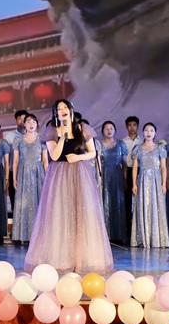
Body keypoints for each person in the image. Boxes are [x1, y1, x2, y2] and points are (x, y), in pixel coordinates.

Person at [24, 100, 113, 274]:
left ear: (71, 110)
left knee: (82, 214)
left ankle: (82, 259)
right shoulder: (52, 131)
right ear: (55, 113)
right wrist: (63, 137)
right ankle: (60, 259)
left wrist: (78, 157)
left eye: (65, 107)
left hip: (80, 174)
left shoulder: (82, 129)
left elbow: (93, 152)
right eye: (59, 109)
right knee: (60, 215)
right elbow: (54, 155)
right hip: (59, 176)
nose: (62, 110)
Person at [130, 122, 169, 248]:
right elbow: (135, 167)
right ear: (143, 133)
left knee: (156, 207)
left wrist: (163, 184)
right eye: (146, 130)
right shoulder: (138, 148)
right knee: (143, 206)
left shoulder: (160, 149)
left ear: (155, 133)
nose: (148, 133)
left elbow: (163, 167)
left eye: (151, 130)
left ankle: (156, 238)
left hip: (156, 181)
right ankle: (143, 238)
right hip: (142, 180)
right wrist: (134, 184)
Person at [11, 113, 47, 245]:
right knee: (23, 203)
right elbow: (15, 161)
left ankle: (38, 236)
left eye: (33, 122)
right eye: (28, 122)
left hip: (38, 173)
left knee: (38, 202)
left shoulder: (42, 139)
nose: (31, 124)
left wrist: (47, 177)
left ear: (37, 124)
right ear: (24, 124)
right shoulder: (18, 140)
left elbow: (45, 160)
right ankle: (23, 235)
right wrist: (14, 178)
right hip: (23, 173)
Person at [99, 120, 129, 244]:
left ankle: (118, 235)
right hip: (104, 176)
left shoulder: (121, 144)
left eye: (111, 128)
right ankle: (106, 236)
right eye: (106, 128)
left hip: (117, 176)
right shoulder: (99, 144)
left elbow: (124, 163)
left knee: (118, 203)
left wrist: (124, 178)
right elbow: (97, 163)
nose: (109, 130)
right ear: (103, 131)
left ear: (115, 130)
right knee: (105, 203)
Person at [121, 115, 142, 239]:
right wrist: (124, 177)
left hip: (141, 172)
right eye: (129, 125)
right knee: (128, 201)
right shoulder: (122, 142)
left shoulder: (142, 141)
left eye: (134, 125)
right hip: (127, 171)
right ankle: (129, 232)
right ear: (126, 127)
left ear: (137, 126)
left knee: (140, 201)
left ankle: (140, 231)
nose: (132, 127)